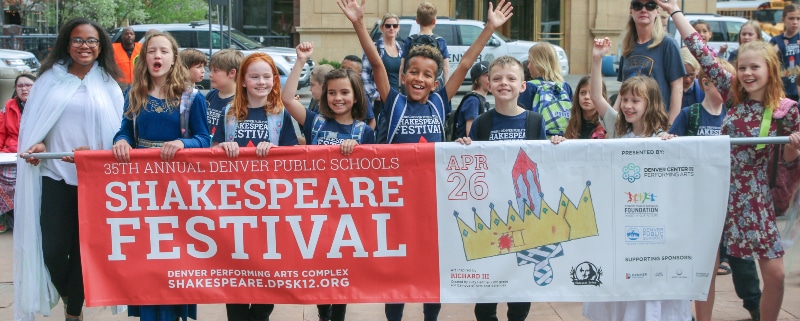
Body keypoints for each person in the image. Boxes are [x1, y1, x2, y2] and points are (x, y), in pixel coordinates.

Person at [340, 0, 512, 320]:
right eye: (414, 72)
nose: (419, 78)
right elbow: (378, 64)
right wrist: (359, 24)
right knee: (400, 272)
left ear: (436, 81)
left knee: (433, 270)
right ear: (403, 75)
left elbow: (463, 66)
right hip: (397, 203)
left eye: (427, 75)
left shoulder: (439, 101)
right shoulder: (392, 102)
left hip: (434, 203)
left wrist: (489, 28)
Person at [663, 3, 800, 321]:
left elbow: (789, 163)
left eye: (755, 68)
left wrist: (794, 148)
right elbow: (701, 51)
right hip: (716, 192)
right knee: (705, 269)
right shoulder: (731, 94)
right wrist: (674, 11)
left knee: (776, 275)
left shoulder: (786, 110)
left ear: (770, 70)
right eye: (743, 68)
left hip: (755, 199)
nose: (748, 73)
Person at [15, 17, 123, 321]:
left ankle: (73, 312)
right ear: (67, 43)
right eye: (78, 40)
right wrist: (38, 146)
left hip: (95, 183)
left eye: (91, 41)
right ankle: (67, 295)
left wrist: (93, 155)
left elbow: (118, 138)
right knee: (52, 251)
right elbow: (36, 129)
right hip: (55, 178)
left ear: (100, 46)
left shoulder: (109, 84)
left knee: (83, 254)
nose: (84, 46)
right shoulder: (49, 79)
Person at [582, 40, 686, 321]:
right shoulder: (617, 129)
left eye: (634, 101)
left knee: (647, 279)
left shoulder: (663, 138)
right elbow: (597, 96)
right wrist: (596, 60)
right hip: (622, 220)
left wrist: (671, 146)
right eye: (625, 99)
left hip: (652, 222)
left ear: (649, 103)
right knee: (622, 278)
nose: (627, 106)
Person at [111, 31, 211, 321]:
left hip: (177, 187)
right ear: (144, 58)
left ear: (174, 57)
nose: (157, 56)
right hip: (142, 186)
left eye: (164, 51)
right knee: (146, 252)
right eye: (152, 51)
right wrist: (121, 140)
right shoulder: (133, 93)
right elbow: (126, 130)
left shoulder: (191, 97)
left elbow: (204, 138)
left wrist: (183, 143)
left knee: (174, 252)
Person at [284, 43, 376, 321]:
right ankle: (325, 316)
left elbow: (371, 177)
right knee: (321, 270)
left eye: (344, 92)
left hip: (348, 212)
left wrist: (356, 152)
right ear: (324, 95)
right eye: (332, 92)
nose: (338, 98)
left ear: (356, 97)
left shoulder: (364, 132)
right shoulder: (315, 122)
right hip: (316, 209)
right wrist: (301, 61)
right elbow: (288, 99)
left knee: (343, 271)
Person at [453, 56, 544, 321]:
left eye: (511, 78)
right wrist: (463, 147)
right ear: (488, 84)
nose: (504, 83)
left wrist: (556, 143)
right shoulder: (482, 123)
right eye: (497, 78)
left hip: (526, 215)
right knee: (486, 294)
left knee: (520, 287)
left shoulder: (535, 121)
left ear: (523, 86)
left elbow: (547, 165)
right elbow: (475, 164)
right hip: (492, 215)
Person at [209, 51, 297, 321]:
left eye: (267, 76)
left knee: (266, 266)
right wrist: (223, 146)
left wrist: (276, 150)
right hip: (235, 203)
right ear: (243, 81)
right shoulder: (230, 112)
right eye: (255, 76)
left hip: (269, 205)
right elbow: (212, 149)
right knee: (234, 267)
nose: (261, 81)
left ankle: (260, 315)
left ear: (274, 80)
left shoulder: (280, 114)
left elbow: (293, 153)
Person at [666, 9, 738, 320]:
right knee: (695, 261)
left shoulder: (735, 114)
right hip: (693, 198)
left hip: (729, 198)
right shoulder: (691, 113)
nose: (722, 89)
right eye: (716, 83)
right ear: (706, 83)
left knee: (724, 263)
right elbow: (671, 146)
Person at [617, 0, 685, 124]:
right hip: (630, 124)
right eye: (638, 5)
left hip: (657, 124)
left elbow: (677, 87)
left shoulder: (667, 44)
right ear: (631, 11)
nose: (644, 10)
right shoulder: (627, 46)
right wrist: (614, 122)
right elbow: (623, 90)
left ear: (657, 11)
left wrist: (671, 126)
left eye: (650, 6)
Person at [0, 73, 35, 233]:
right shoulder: (9, 106)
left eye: (28, 85)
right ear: (15, 89)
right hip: (9, 154)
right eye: (20, 86)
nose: (24, 89)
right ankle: (5, 216)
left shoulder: (42, 106)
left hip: (32, 153)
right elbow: (2, 133)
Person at [517, 42, 574, 136]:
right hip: (563, 140)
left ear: (538, 64)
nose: (528, 66)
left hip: (539, 141)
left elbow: (521, 118)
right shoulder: (565, 87)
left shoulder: (530, 87)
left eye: (530, 62)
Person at [400, 2, 450, 91]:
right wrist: (446, 87)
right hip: (434, 86)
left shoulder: (410, 40)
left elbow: (402, 66)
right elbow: (445, 68)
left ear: (417, 20)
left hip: (413, 86)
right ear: (434, 21)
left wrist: (401, 86)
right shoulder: (440, 41)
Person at [362, 13, 403, 118]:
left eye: (395, 26)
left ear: (398, 28)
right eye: (388, 25)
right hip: (381, 99)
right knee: (381, 131)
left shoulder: (401, 49)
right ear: (382, 28)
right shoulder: (374, 48)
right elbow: (365, 74)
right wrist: (375, 96)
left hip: (398, 97)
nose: (391, 28)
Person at [206, 49, 244, 139]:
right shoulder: (211, 95)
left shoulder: (241, 100)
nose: (210, 74)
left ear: (232, 73)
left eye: (215, 70)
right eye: (210, 70)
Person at [563, 75, 614, 139]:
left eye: (592, 93)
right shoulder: (572, 123)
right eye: (583, 93)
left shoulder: (607, 126)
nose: (586, 97)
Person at [770, 4, 800, 102]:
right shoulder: (776, 40)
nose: (795, 22)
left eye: (798, 19)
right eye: (791, 18)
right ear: (783, 19)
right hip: (782, 90)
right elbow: (768, 62)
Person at [453, 60, 490, 139]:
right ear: (476, 80)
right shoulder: (473, 100)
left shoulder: (480, 99)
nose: (491, 79)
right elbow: (471, 133)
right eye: (487, 75)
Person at [340, 54, 376, 128]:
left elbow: (372, 121)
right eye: (342, 68)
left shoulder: (362, 95)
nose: (344, 72)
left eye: (349, 70)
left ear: (359, 75)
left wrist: (365, 138)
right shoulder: (332, 91)